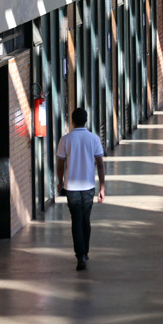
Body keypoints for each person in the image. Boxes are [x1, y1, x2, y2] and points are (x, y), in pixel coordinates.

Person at [56, 107, 105, 271]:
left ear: (72, 121)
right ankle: (85, 251)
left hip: (71, 187)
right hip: (89, 186)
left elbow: (60, 164)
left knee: (76, 221)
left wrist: (60, 182)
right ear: (86, 120)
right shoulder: (94, 138)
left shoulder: (65, 140)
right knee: (86, 220)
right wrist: (102, 187)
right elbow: (100, 164)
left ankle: (80, 255)